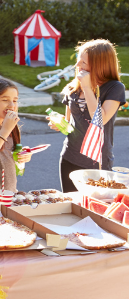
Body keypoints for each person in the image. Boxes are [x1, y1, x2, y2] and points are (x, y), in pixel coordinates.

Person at [53, 39, 126, 191]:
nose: (77, 65)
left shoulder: (114, 88)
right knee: (71, 205)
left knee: (92, 209)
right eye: (79, 60)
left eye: (83, 63)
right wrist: (59, 123)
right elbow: (69, 122)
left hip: (96, 162)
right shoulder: (73, 86)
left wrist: (87, 87)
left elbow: (100, 119)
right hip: (69, 157)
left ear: (100, 64)